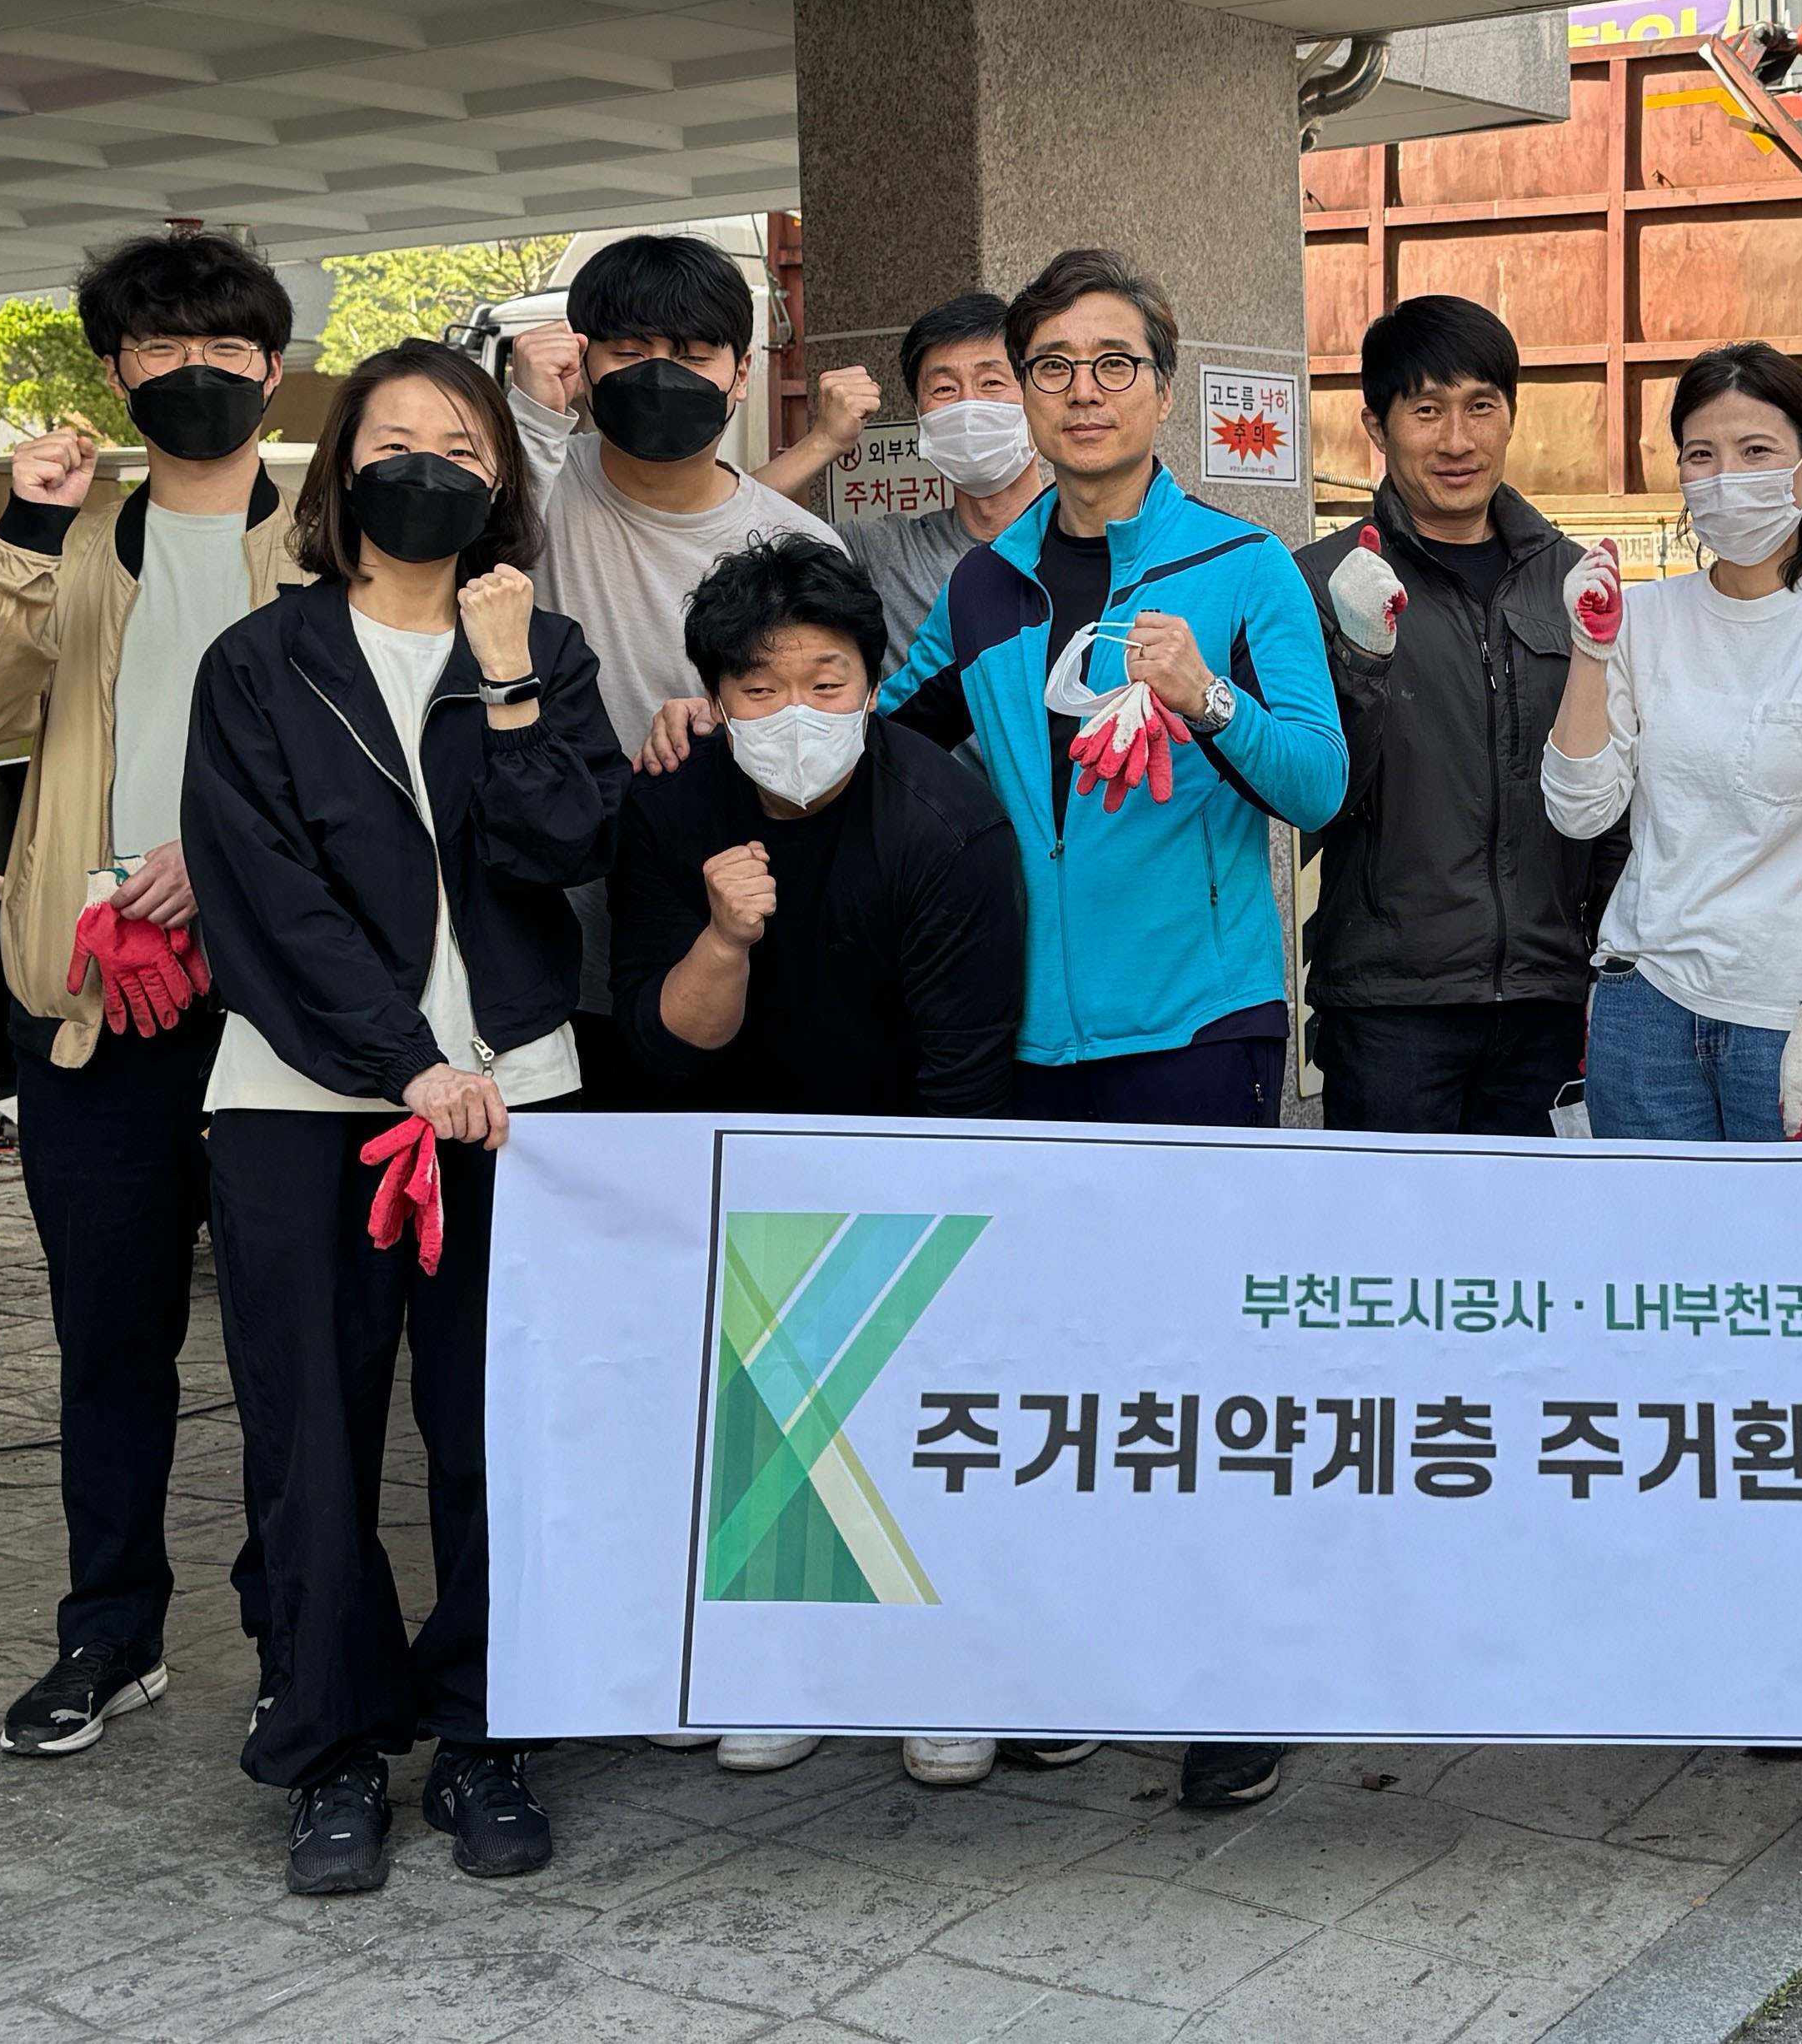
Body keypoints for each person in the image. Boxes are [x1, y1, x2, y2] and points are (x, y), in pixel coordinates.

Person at [877, 247, 1345, 1813]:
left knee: (1198, 1356)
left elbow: (1319, 784)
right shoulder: (986, 586)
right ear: (1025, 391)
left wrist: (1209, 699)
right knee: (1066, 1367)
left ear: (1162, 386)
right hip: (1027, 1035)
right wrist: (741, 712)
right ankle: (1080, 1660)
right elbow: (888, 732)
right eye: (1052, 367)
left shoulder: (1242, 568)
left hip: (1197, 1024)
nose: (1082, 392)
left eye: (1112, 363)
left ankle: (1234, 1678)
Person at [183, 340, 631, 1897]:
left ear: (500, 475)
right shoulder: (263, 662)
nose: (425, 466)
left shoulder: (545, 650)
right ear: (341, 468)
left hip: (517, 1100)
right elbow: (265, 894)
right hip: (307, 1103)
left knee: (495, 1431)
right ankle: (331, 1744)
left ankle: (488, 1730)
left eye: (460, 441)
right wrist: (402, 1060)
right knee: (310, 1433)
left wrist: (507, 685)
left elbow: (565, 846)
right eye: (392, 440)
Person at [0, 227, 301, 1761]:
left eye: (224, 344)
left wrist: (228, 852)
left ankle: (295, 1630)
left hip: (286, 1005)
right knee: (111, 1337)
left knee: (292, 1340)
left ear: (273, 367)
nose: (194, 369)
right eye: (160, 344)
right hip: (92, 1004)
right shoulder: (69, 541)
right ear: (116, 369)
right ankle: (108, 1630)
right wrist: (23, 530)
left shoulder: (330, 538)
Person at [604, 533, 1034, 1792]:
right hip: (729, 1144)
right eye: (760, 687)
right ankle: (773, 1662)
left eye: (826, 681)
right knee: (749, 1411)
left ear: (873, 681)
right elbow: (663, 1044)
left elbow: (965, 1076)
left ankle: (942, 1670)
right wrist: (724, 939)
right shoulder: (671, 806)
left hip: (907, 1140)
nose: (795, 711)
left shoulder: (945, 819)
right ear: (714, 697)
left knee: (913, 1405)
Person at [494, 233, 839, 1100]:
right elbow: (466, 558)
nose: (660, 375)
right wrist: (530, 416)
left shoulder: (798, 547)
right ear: (583, 359)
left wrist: (740, 710)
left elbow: (839, 719)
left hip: (728, 941)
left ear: (741, 373)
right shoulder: (536, 489)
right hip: (543, 947)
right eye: (629, 350)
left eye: (691, 355)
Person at [1540, 342, 1802, 1144]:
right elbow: (1579, 811)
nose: (1725, 476)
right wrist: (1590, 651)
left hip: (1792, 1019)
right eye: (1701, 454)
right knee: (1651, 1231)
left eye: (1756, 451)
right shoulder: (1645, 617)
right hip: (1645, 1006)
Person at [1298, 295, 1623, 1135]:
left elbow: (1618, 798)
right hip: (1391, 1007)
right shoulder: (1324, 583)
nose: (1456, 440)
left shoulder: (1575, 580)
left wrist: (1610, 969)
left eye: (1481, 407)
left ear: (1511, 415)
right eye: (1426, 410)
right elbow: (1315, 797)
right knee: (1392, 1222)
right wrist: (1361, 661)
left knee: (1536, 1224)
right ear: (1376, 426)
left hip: (1549, 999)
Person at [834, 292, 1049, 656]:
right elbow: (731, 532)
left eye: (991, 382)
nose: (968, 405)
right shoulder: (887, 552)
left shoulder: (1096, 545)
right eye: (944, 389)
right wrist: (823, 442)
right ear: (920, 418)